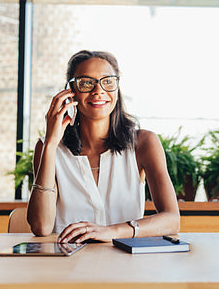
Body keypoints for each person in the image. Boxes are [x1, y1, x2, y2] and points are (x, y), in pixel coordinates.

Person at [27, 50, 180, 243]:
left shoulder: (144, 143)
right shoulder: (48, 147)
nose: (98, 91)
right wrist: (50, 143)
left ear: (117, 88)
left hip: (125, 264)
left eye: (108, 81)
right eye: (86, 83)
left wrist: (112, 231)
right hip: (66, 267)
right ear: (70, 91)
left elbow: (172, 220)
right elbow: (41, 227)